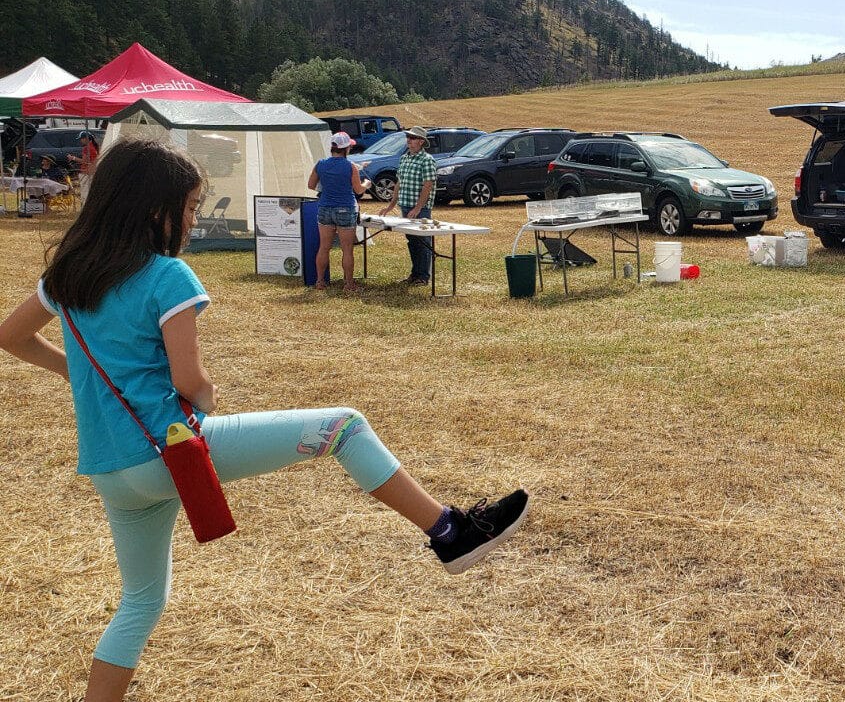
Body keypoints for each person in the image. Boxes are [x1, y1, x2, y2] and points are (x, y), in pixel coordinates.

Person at [0, 138, 528, 702]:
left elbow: (9, 336)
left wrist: (76, 376)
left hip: (110, 470)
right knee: (344, 426)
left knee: (140, 602)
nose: (191, 220)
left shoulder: (67, 276)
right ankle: (449, 532)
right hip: (168, 454)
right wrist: (206, 393)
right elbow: (189, 384)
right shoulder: (167, 277)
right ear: (157, 211)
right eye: (190, 209)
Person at [307, 131, 370, 291]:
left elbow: (311, 185)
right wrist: (366, 184)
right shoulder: (350, 166)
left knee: (324, 247)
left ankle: (320, 282)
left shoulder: (321, 164)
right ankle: (349, 284)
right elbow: (358, 190)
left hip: (325, 207)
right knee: (347, 249)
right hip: (346, 208)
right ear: (346, 148)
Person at [379, 126, 436, 285]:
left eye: (412, 138)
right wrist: (391, 205)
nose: (409, 141)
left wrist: (418, 208)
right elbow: (398, 183)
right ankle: (415, 273)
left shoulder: (427, 160)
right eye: (408, 137)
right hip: (405, 206)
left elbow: (427, 186)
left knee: (423, 241)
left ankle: (423, 276)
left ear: (421, 142)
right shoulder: (404, 158)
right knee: (412, 241)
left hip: (420, 209)